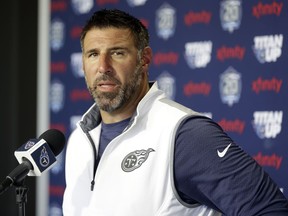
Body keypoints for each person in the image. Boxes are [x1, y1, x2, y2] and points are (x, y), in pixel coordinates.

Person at [62, 9, 288, 216]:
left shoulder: (185, 134)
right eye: (92, 54)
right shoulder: (78, 140)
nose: (103, 66)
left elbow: (271, 210)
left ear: (145, 59)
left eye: (118, 53)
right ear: (83, 64)